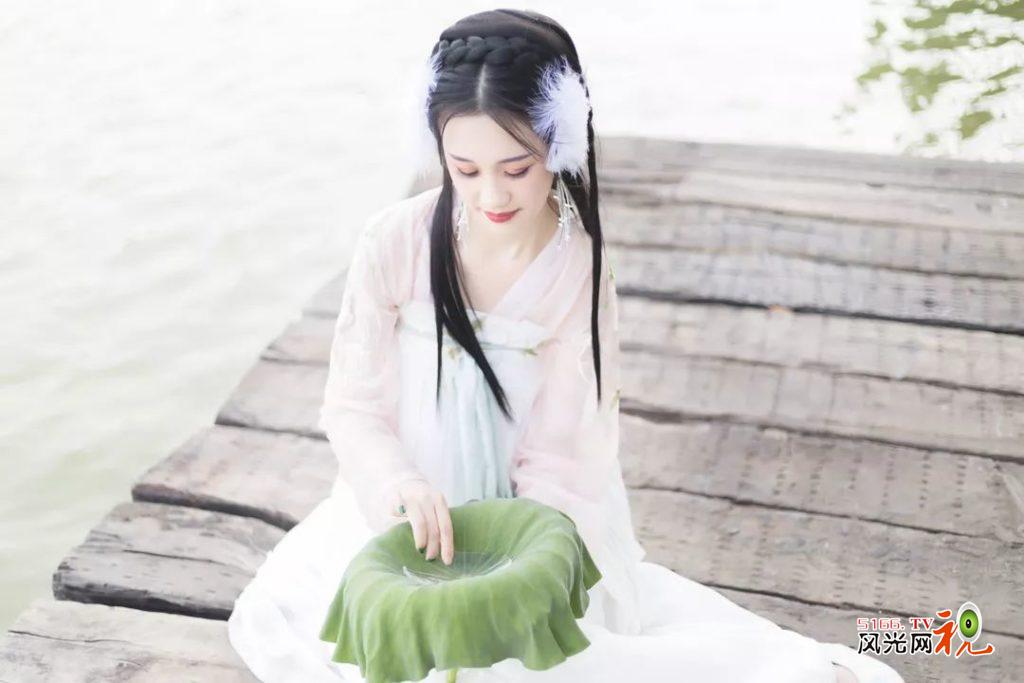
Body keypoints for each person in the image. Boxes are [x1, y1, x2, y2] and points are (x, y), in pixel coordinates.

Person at [227, 10, 906, 683]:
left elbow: (567, 444)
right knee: (325, 629)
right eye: (465, 169)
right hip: (405, 503)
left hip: (533, 511)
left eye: (517, 167)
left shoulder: (575, 264)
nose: (492, 194)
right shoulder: (394, 241)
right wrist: (397, 486)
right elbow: (352, 405)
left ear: (559, 142)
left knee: (535, 660)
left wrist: (521, 551)